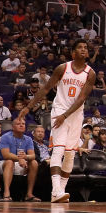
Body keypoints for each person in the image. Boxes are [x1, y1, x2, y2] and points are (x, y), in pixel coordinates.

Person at [20, 40, 94, 203]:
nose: (83, 50)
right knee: (58, 151)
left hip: (74, 115)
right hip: (59, 112)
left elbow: (82, 98)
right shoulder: (63, 68)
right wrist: (29, 107)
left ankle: (59, 191)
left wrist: (66, 115)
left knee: (70, 154)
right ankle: (56, 189)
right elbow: (45, 89)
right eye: (80, 47)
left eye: (85, 48)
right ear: (73, 53)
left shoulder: (90, 73)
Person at [0, 116, 39, 202]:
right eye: (18, 124)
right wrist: (19, 159)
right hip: (3, 163)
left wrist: (25, 157)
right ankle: (6, 193)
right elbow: (6, 155)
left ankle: (29, 194)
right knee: (10, 162)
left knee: (34, 163)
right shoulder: (5, 137)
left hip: (21, 162)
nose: (21, 125)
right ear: (13, 127)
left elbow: (32, 156)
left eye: (23, 124)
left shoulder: (28, 139)